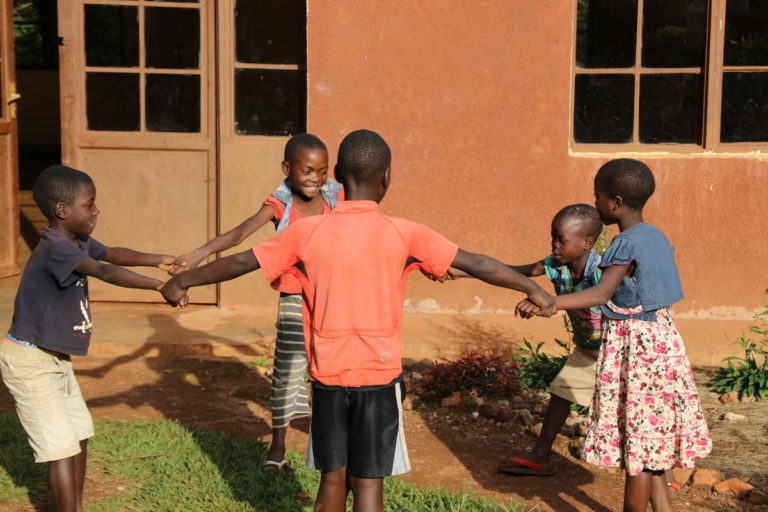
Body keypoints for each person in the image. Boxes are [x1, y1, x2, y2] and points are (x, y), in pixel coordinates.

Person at [160, 129, 557, 512]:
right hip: (379, 378)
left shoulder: (308, 232)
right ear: (386, 178)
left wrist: (183, 280)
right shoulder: (405, 234)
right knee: (369, 485)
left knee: (332, 480)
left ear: (336, 178)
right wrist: (534, 289)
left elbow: (244, 260)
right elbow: (479, 263)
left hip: (328, 378)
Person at [517, 158, 712, 512]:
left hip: (636, 348)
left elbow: (601, 293)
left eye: (598, 196)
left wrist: (551, 302)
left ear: (615, 203)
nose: (595, 203)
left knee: (636, 452)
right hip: (664, 341)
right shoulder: (656, 237)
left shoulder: (624, 243)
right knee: (650, 446)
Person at [0, 165, 181, 512]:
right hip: (29, 361)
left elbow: (112, 254)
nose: (96, 210)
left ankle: (74, 507)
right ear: (62, 211)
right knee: (61, 449)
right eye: (90, 204)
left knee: (79, 434)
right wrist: (159, 287)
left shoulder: (76, 240)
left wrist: (160, 261)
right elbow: (104, 270)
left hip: (53, 359)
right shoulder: (57, 248)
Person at [171, 133, 342, 471]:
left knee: (329, 368)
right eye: (307, 171)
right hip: (295, 295)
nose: (315, 179)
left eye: (322, 171)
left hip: (332, 296)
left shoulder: (336, 195)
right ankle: (277, 446)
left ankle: (327, 439)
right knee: (288, 369)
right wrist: (197, 255)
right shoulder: (280, 203)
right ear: (287, 168)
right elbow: (239, 233)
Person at [476, 204, 605, 477]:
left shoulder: (602, 271)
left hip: (617, 351)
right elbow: (515, 272)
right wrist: (465, 271)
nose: (554, 245)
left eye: (562, 239)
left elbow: (600, 297)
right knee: (562, 392)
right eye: (553, 236)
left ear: (587, 242)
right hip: (589, 350)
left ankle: (659, 473)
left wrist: (548, 302)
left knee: (634, 410)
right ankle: (541, 455)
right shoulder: (555, 265)